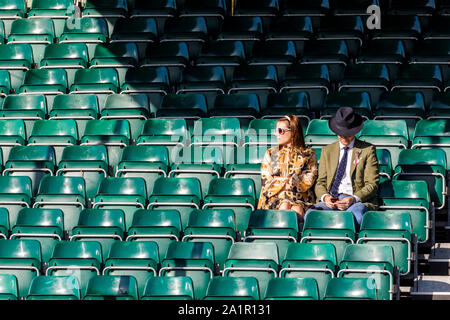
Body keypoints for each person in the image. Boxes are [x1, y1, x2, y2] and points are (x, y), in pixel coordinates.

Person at [306, 107, 379, 228]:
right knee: (311, 215)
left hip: (356, 199)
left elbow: (372, 184)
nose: (343, 137)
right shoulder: (327, 150)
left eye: (347, 134)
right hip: (332, 199)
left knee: (356, 216)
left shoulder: (367, 150)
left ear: (354, 132)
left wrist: (353, 198)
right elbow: (320, 182)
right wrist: (325, 197)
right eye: (340, 134)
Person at [257, 114, 318, 222]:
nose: (276, 134)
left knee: (297, 210)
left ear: (293, 132)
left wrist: (280, 180)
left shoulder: (308, 154)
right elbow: (266, 182)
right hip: (273, 198)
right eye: (276, 131)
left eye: (280, 131)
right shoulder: (271, 153)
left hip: (301, 198)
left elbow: (308, 181)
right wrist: (291, 180)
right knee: (284, 206)